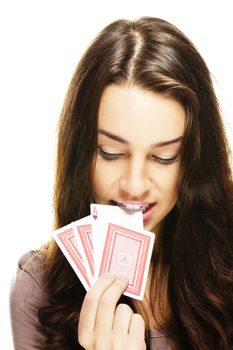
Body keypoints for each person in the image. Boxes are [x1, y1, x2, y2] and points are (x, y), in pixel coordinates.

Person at [10, 16, 233, 350]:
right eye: (111, 153)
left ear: (193, 160)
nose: (134, 185)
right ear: (80, 152)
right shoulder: (37, 290)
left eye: (164, 157)